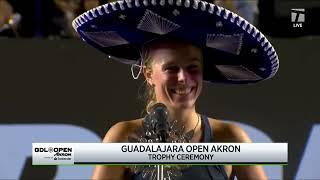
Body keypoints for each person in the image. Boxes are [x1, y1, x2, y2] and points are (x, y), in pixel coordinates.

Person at [72, 0, 279, 179]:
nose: (183, 78)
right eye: (171, 68)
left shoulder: (231, 138)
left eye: (192, 68)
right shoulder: (122, 137)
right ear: (148, 74)